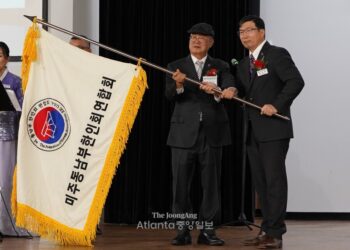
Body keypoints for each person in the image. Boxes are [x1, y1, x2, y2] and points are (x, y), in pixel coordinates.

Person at [223, 15, 304, 249]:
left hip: (274, 129)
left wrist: (276, 105)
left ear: (262, 32)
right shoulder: (244, 62)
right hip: (252, 132)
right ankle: (266, 230)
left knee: (274, 182)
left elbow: (296, 82)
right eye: (241, 32)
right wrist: (227, 90)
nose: (244, 35)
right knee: (261, 183)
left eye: (249, 30)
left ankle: (276, 233)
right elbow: (242, 90)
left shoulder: (277, 54)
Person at [165, 23, 236, 246]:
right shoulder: (176, 66)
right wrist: (178, 85)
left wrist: (220, 92)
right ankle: (182, 231)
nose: (196, 41)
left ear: (211, 42)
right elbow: (169, 96)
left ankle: (208, 232)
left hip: (212, 134)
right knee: (180, 186)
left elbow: (230, 88)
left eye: (201, 38)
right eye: (193, 37)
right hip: (183, 135)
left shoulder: (220, 65)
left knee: (211, 185)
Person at [0, 41, 27, 238]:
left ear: (7, 59)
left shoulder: (15, 81)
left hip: (7, 136)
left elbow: (24, 108)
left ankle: (6, 224)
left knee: (4, 182)